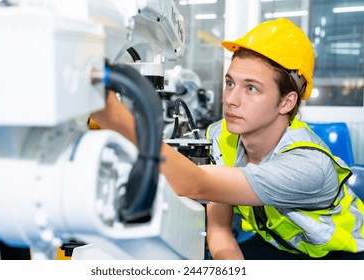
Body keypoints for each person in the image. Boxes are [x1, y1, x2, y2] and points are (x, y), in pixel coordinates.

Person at [90, 18, 364, 260]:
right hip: (278, 247)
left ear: (286, 102)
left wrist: (111, 114)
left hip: (340, 258)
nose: (231, 100)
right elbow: (219, 230)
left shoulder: (307, 166)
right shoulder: (222, 137)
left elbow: (196, 184)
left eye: (252, 88)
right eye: (230, 83)